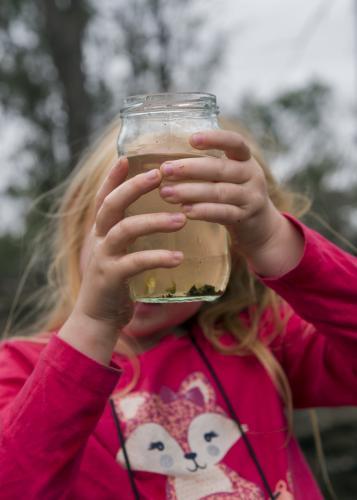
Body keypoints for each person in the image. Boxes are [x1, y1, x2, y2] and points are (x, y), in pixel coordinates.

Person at [0, 118, 356, 500]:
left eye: (185, 236)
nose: (149, 262)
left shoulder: (254, 340)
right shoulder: (22, 370)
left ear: (228, 254)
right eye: (130, 225)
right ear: (78, 226)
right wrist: (93, 324)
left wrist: (273, 238)